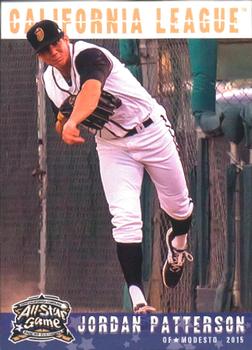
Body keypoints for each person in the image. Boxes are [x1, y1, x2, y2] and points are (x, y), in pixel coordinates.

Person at [27, 20, 194, 314]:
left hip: (150, 130)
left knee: (179, 207)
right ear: (39, 55)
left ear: (65, 38)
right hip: (112, 145)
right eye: (44, 50)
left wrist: (74, 121)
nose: (53, 51)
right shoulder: (51, 81)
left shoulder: (89, 55)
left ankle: (177, 245)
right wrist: (63, 124)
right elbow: (60, 117)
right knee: (125, 217)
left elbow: (91, 92)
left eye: (55, 43)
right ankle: (138, 299)